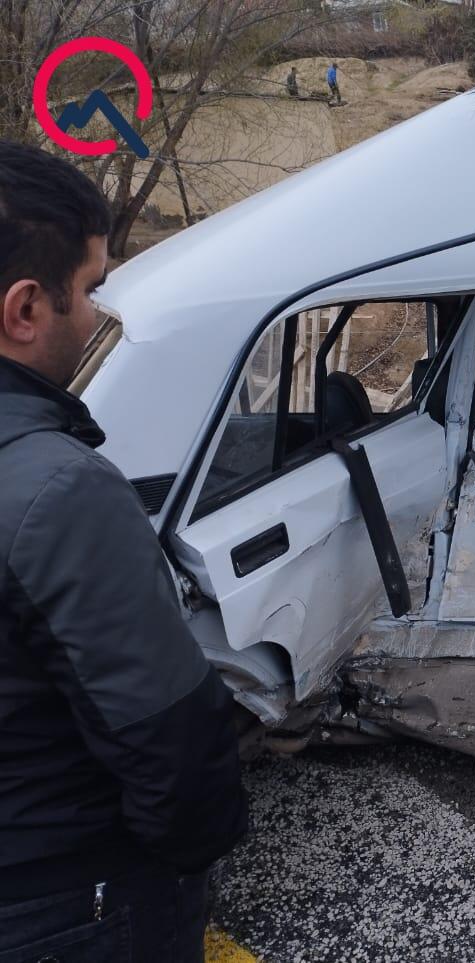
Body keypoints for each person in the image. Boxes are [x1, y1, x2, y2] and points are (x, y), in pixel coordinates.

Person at [0, 142, 247, 960]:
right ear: (25, 309)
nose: (98, 315)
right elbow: (173, 746)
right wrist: (178, 866)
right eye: (91, 289)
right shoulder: (58, 491)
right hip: (70, 900)